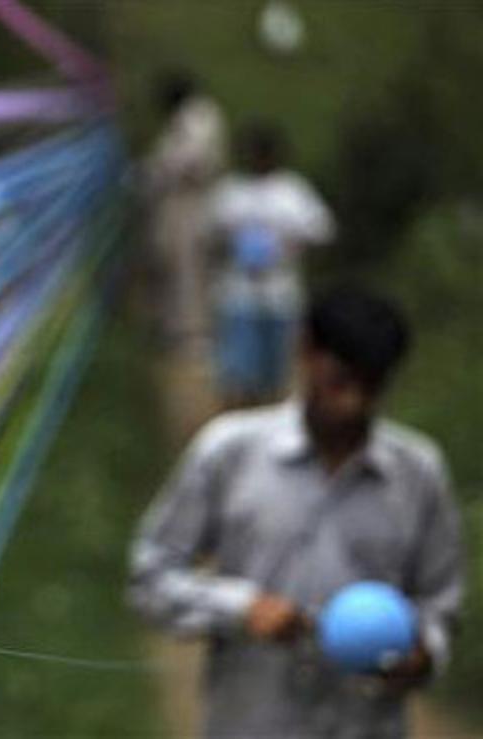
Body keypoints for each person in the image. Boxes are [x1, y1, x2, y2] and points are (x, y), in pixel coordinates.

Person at [129, 287, 463, 739]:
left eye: (372, 386)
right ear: (306, 351)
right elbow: (151, 576)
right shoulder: (230, 451)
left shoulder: (417, 472)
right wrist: (242, 608)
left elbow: (440, 603)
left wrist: (421, 654)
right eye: (341, 381)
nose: (354, 403)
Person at [209, 121, 335, 405]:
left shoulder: (293, 192)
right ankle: (239, 417)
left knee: (276, 369)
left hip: (280, 291)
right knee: (237, 371)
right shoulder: (231, 192)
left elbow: (323, 230)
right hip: (238, 290)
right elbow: (212, 231)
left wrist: (290, 242)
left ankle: (269, 415)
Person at [142, 70, 228, 357]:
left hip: (190, 203)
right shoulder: (189, 118)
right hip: (178, 203)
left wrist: (157, 171)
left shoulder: (198, 117)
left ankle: (194, 335)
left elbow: (190, 160)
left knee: (189, 266)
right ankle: (178, 329)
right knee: (176, 265)